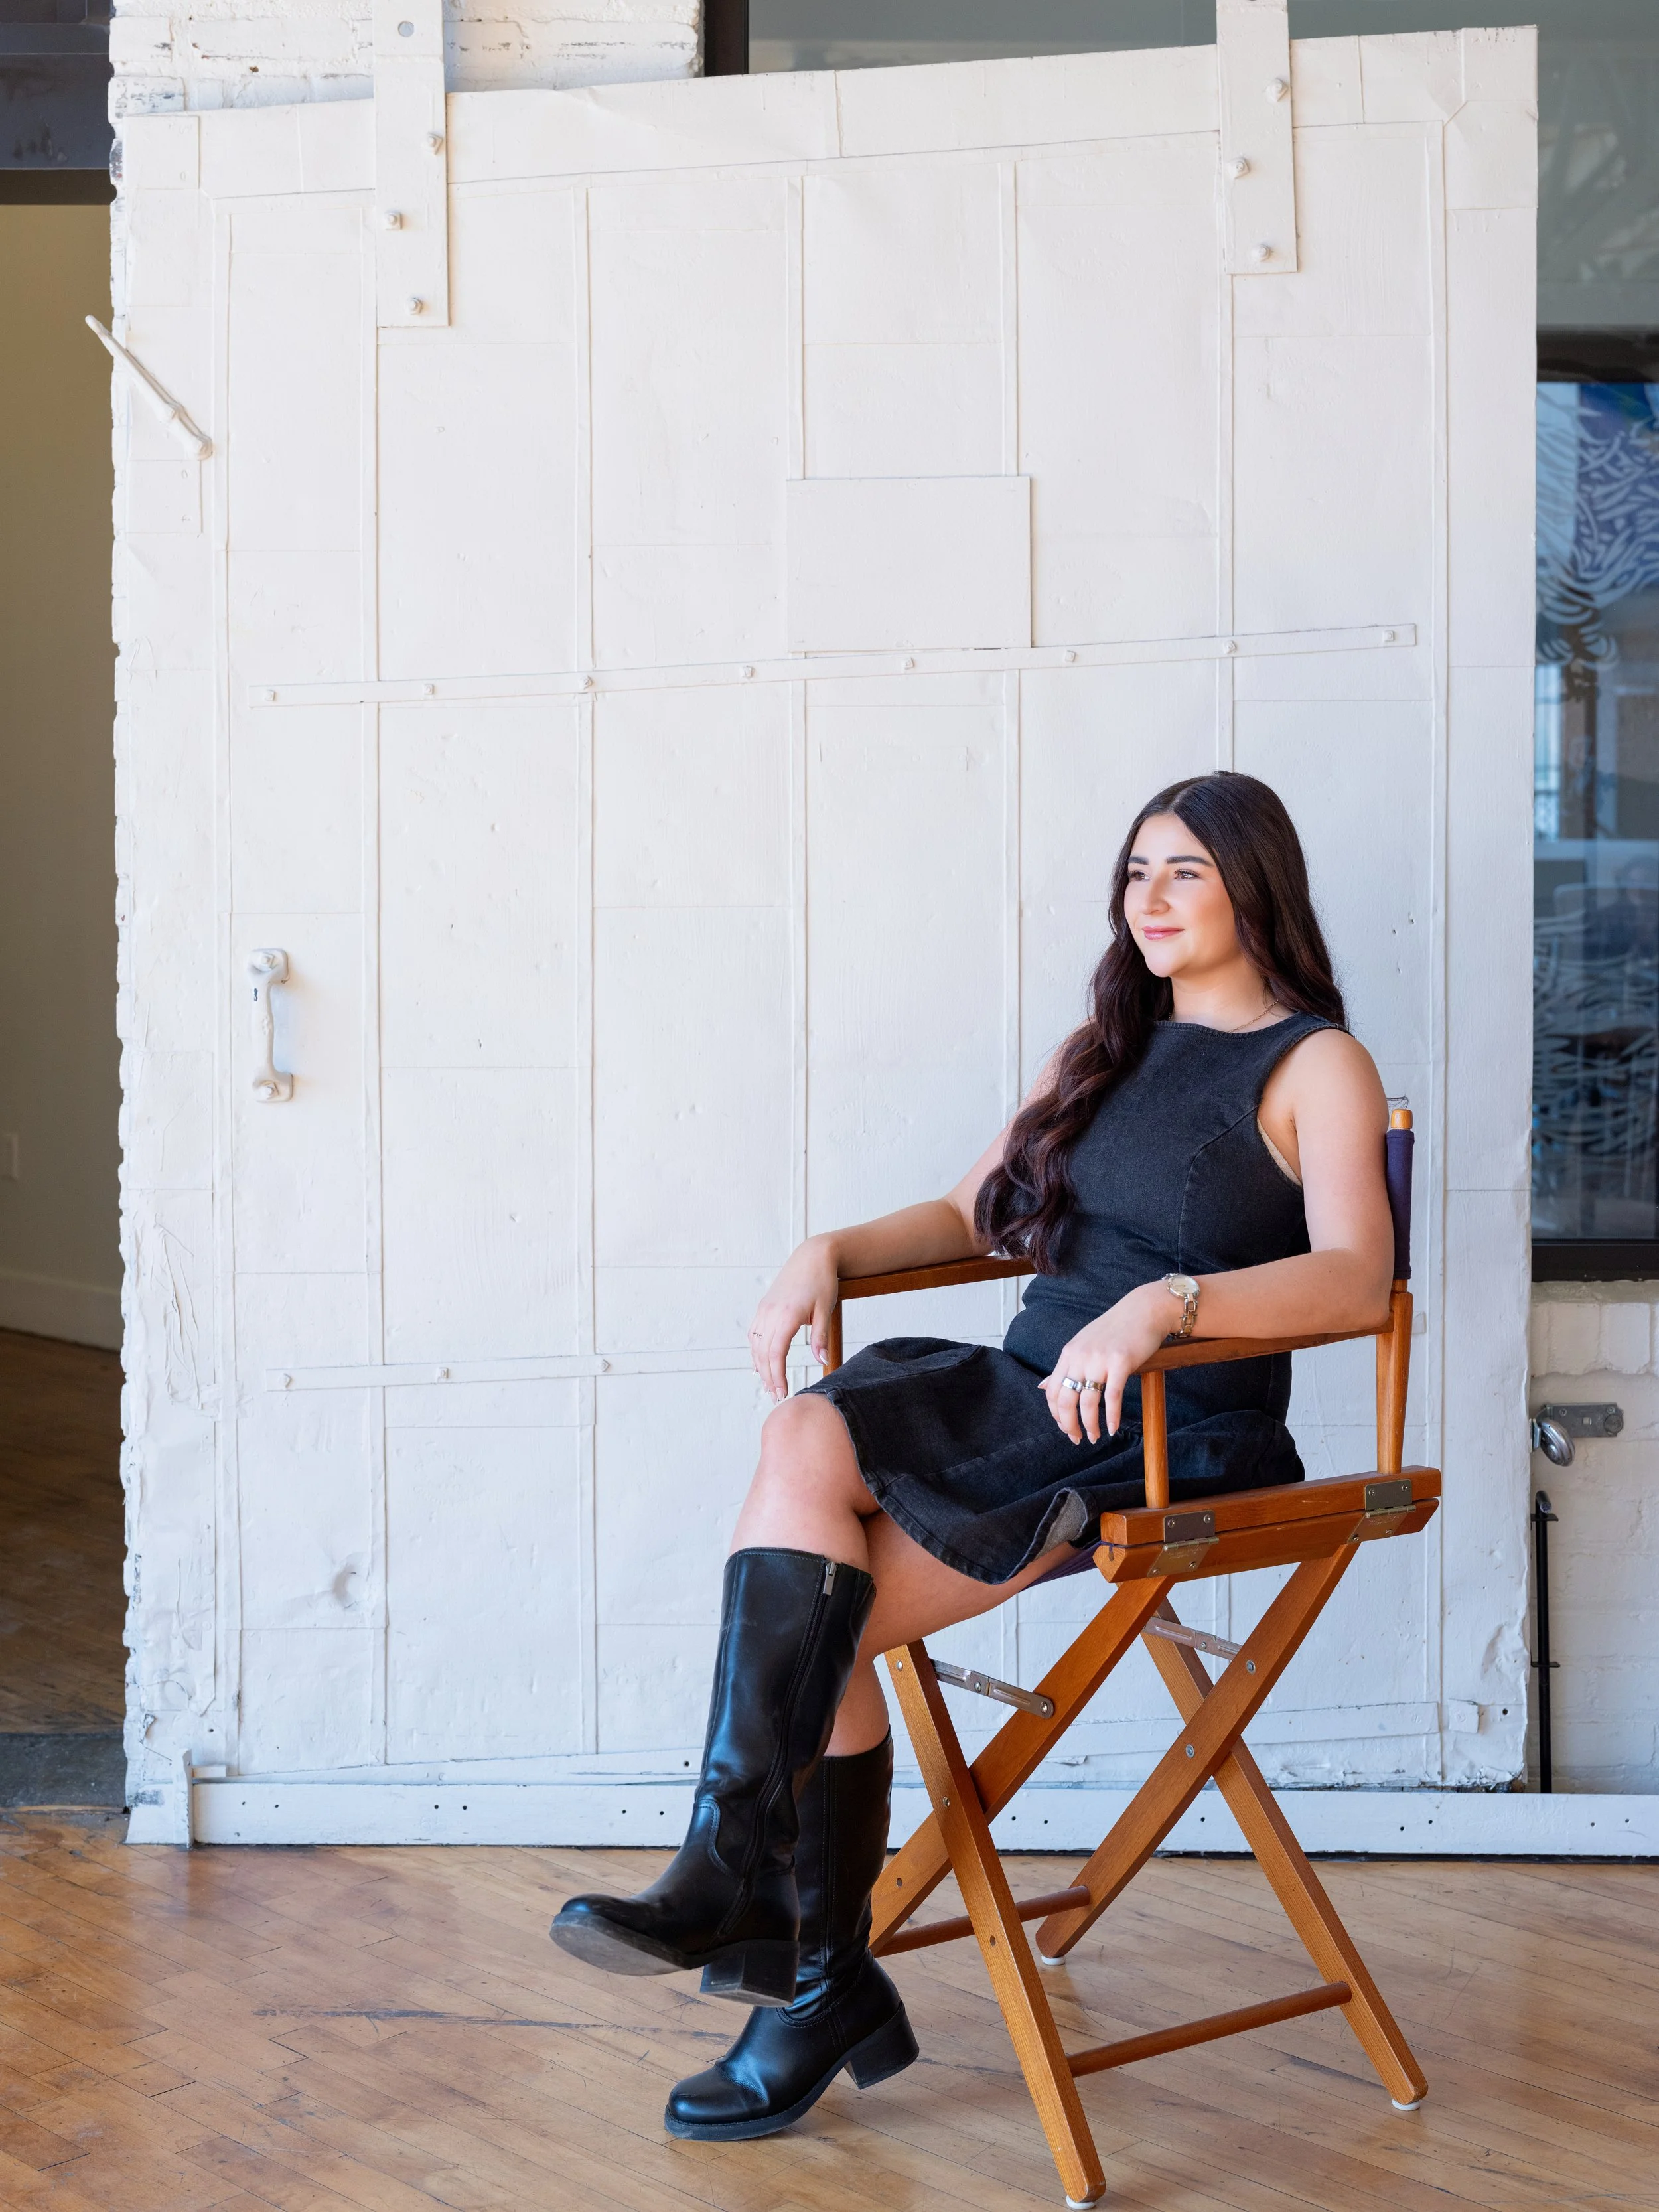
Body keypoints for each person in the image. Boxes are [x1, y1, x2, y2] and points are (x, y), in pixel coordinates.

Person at [550, 770, 1395, 2142]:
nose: (1150, 899)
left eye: (1182, 870)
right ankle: (769, 1918)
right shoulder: (1106, 1044)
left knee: (808, 1627)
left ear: (1254, 881)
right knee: (802, 1435)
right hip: (1027, 1389)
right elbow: (973, 1210)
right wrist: (825, 1249)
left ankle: (787, 1950)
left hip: (1172, 1430)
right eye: (1134, 873)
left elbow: (1357, 1278)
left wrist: (1162, 1302)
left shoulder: (1313, 1064)